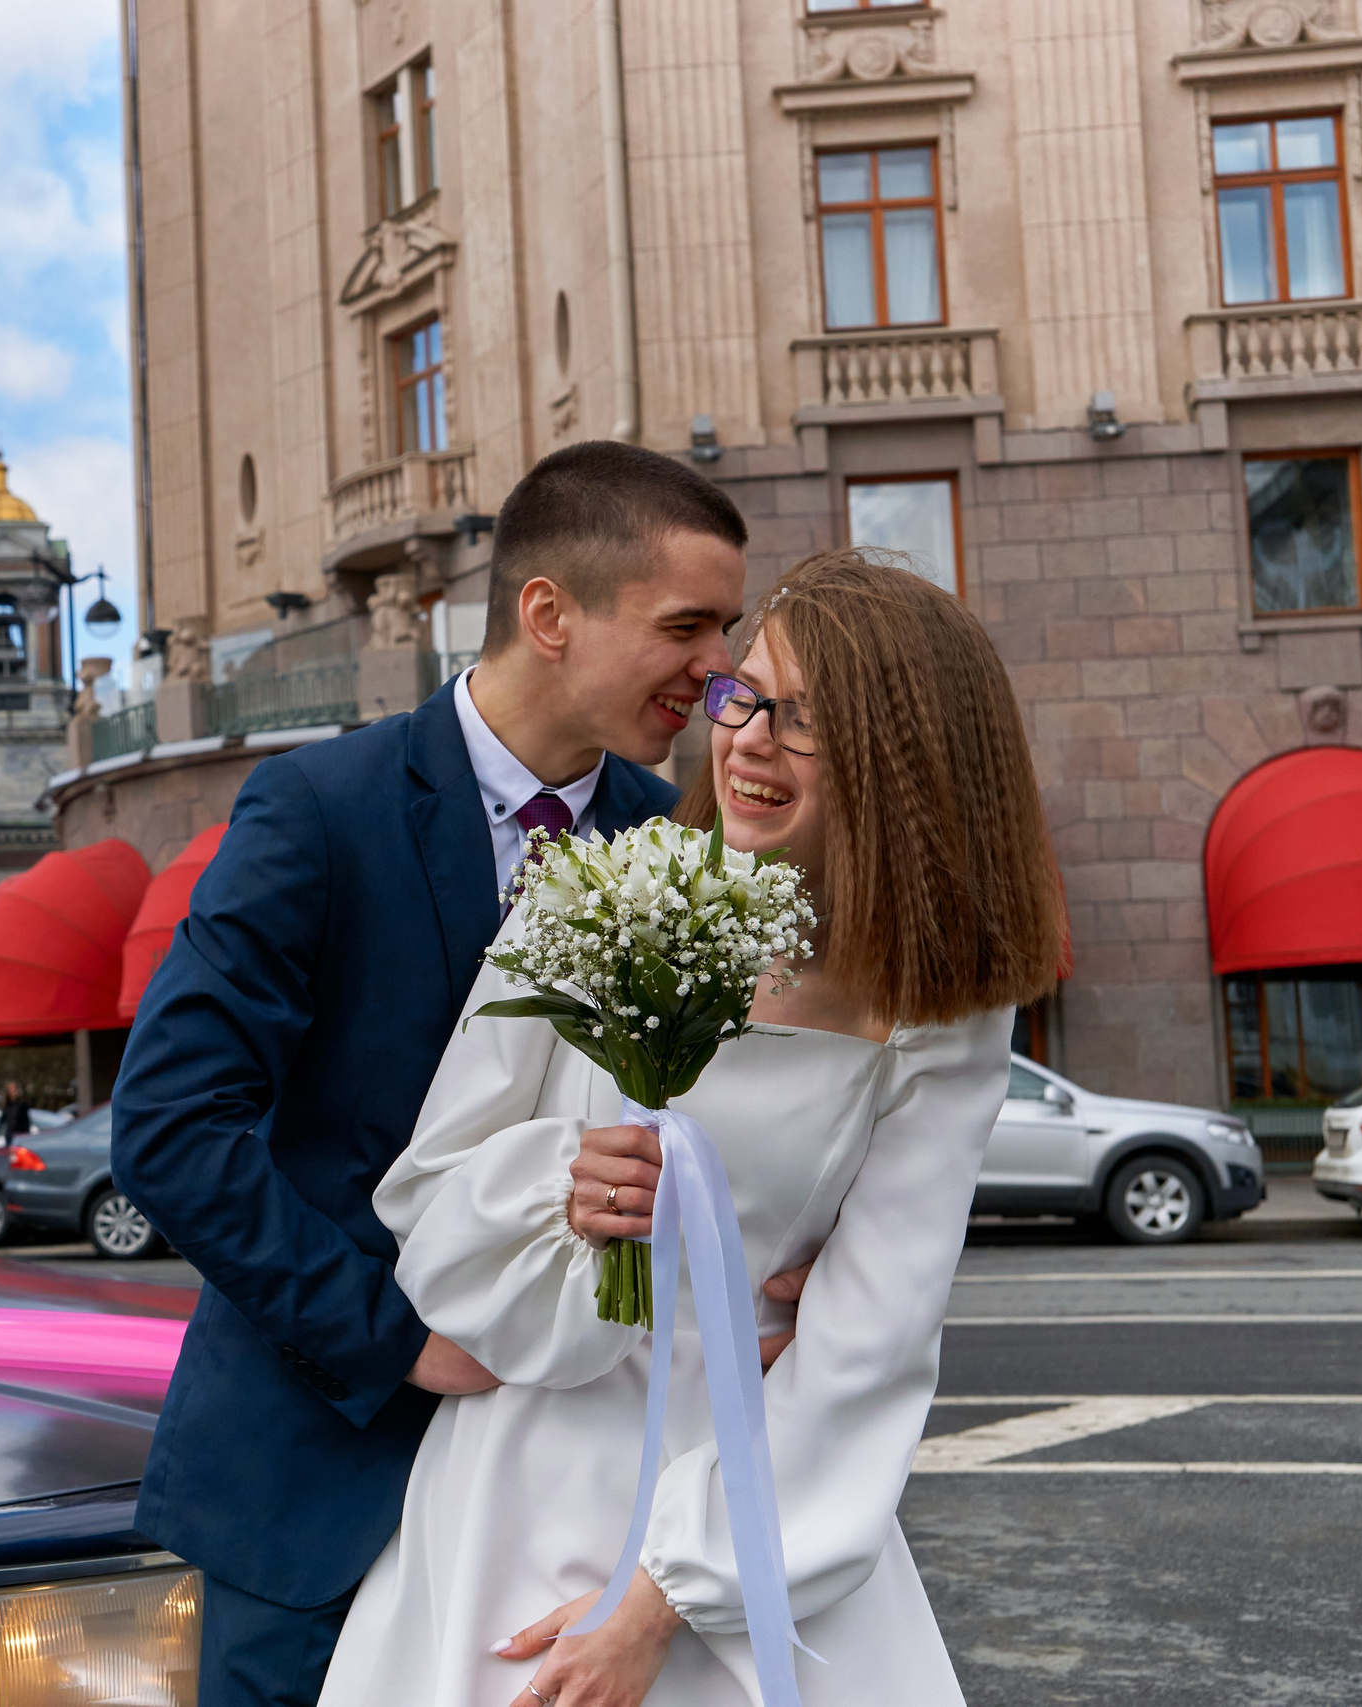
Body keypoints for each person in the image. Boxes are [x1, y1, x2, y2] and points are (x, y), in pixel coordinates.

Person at [114, 441, 818, 1707]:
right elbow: (171, 1128)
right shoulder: (317, 810)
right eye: (686, 626)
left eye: (728, 628)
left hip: (568, 1489)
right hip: (321, 1476)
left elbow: (717, 1120)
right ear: (548, 613)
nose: (718, 669)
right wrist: (398, 1344)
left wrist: (787, 1249)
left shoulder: (668, 842)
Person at [319, 549, 1065, 1707]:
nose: (750, 739)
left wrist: (663, 1592)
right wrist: (560, 1193)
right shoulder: (596, 893)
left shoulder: (942, 1011)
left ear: (906, 760)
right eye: (744, 695)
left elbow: (870, 1347)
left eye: (808, 721)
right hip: (517, 1472)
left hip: (749, 1490)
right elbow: (428, 1194)